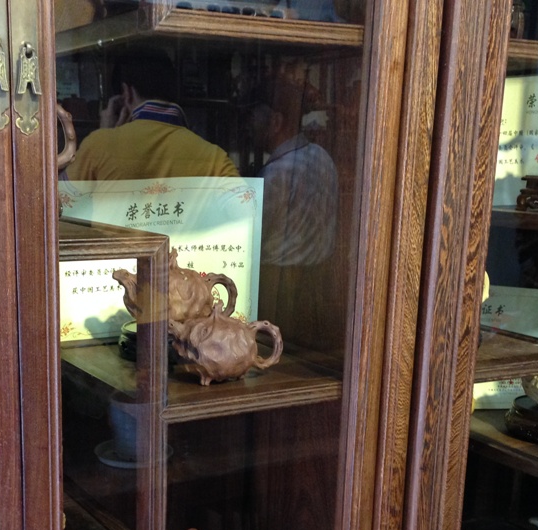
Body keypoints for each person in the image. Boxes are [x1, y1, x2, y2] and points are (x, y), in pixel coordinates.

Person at [249, 78, 341, 351]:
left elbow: (254, 238)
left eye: (251, 118)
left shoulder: (276, 173)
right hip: (318, 286)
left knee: (275, 354)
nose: (247, 126)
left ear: (276, 122)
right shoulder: (323, 157)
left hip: (279, 289)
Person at [65, 46, 239, 181]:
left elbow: (58, 204)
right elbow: (246, 209)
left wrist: (105, 137)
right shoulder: (215, 159)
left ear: (126, 93)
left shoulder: (98, 145)